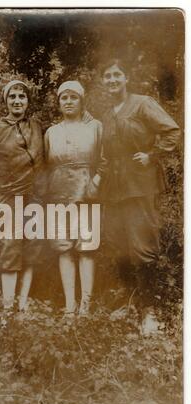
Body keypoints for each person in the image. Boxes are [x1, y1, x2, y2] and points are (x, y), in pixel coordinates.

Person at [99, 59, 180, 329]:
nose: (112, 80)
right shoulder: (108, 114)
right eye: (107, 76)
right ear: (103, 82)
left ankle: (150, 312)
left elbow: (173, 131)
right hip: (115, 190)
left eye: (116, 75)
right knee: (118, 245)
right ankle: (130, 304)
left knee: (142, 247)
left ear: (126, 78)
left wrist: (152, 155)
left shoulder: (142, 103)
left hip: (140, 187)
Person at [0, 79, 44, 312]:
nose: (17, 101)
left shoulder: (36, 126)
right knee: (10, 248)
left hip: (34, 197)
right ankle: (8, 308)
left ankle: (23, 304)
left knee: (32, 247)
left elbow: (42, 162)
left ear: (27, 101)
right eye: (12, 97)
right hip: (7, 197)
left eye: (22, 97)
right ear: (6, 101)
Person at [44, 80, 106, 315]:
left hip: (87, 191)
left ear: (81, 101)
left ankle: (85, 307)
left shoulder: (95, 127)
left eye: (73, 97)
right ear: (59, 103)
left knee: (86, 247)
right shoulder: (52, 132)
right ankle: (70, 306)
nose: (68, 102)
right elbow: (46, 166)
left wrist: (95, 182)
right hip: (59, 193)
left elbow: (105, 158)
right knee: (64, 248)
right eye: (64, 98)